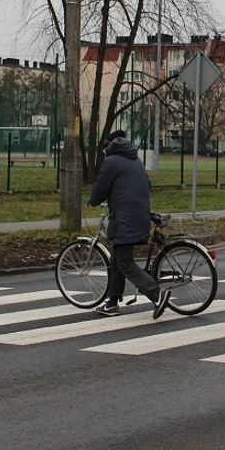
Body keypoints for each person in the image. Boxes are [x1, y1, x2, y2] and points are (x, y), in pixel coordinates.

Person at [87, 129, 171, 319]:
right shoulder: (136, 160)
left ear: (108, 148)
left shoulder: (111, 162)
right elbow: (146, 186)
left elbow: (100, 187)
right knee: (116, 259)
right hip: (139, 215)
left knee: (124, 262)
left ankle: (157, 295)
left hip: (126, 219)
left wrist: (92, 201)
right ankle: (112, 302)